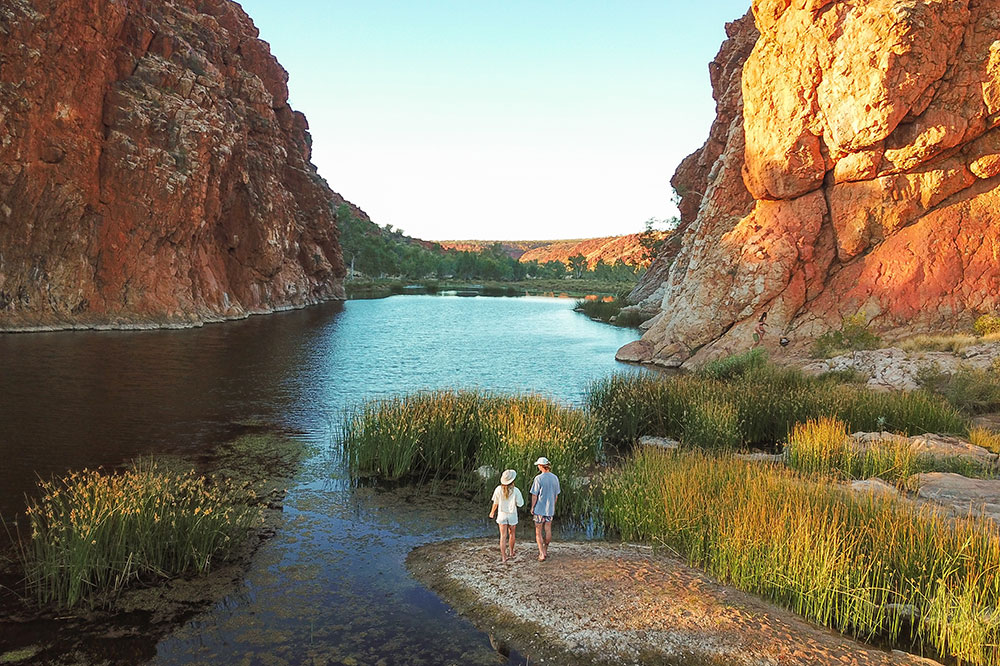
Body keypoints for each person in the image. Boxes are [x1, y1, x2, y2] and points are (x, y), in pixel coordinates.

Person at [488, 469, 524, 563]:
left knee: (503, 536)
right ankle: (511, 552)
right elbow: (520, 504)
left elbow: (495, 502)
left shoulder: (498, 489)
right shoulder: (516, 491)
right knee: (512, 534)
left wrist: (492, 512)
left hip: (501, 514)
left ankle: (504, 557)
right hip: (512, 515)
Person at [529, 456, 560, 562]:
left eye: (538, 465)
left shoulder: (538, 478)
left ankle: (541, 553)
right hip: (550, 509)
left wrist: (532, 507)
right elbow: (556, 495)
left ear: (541, 466)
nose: (538, 467)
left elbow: (534, 495)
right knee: (548, 529)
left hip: (539, 509)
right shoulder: (555, 478)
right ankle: (545, 549)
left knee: (538, 531)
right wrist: (552, 505)